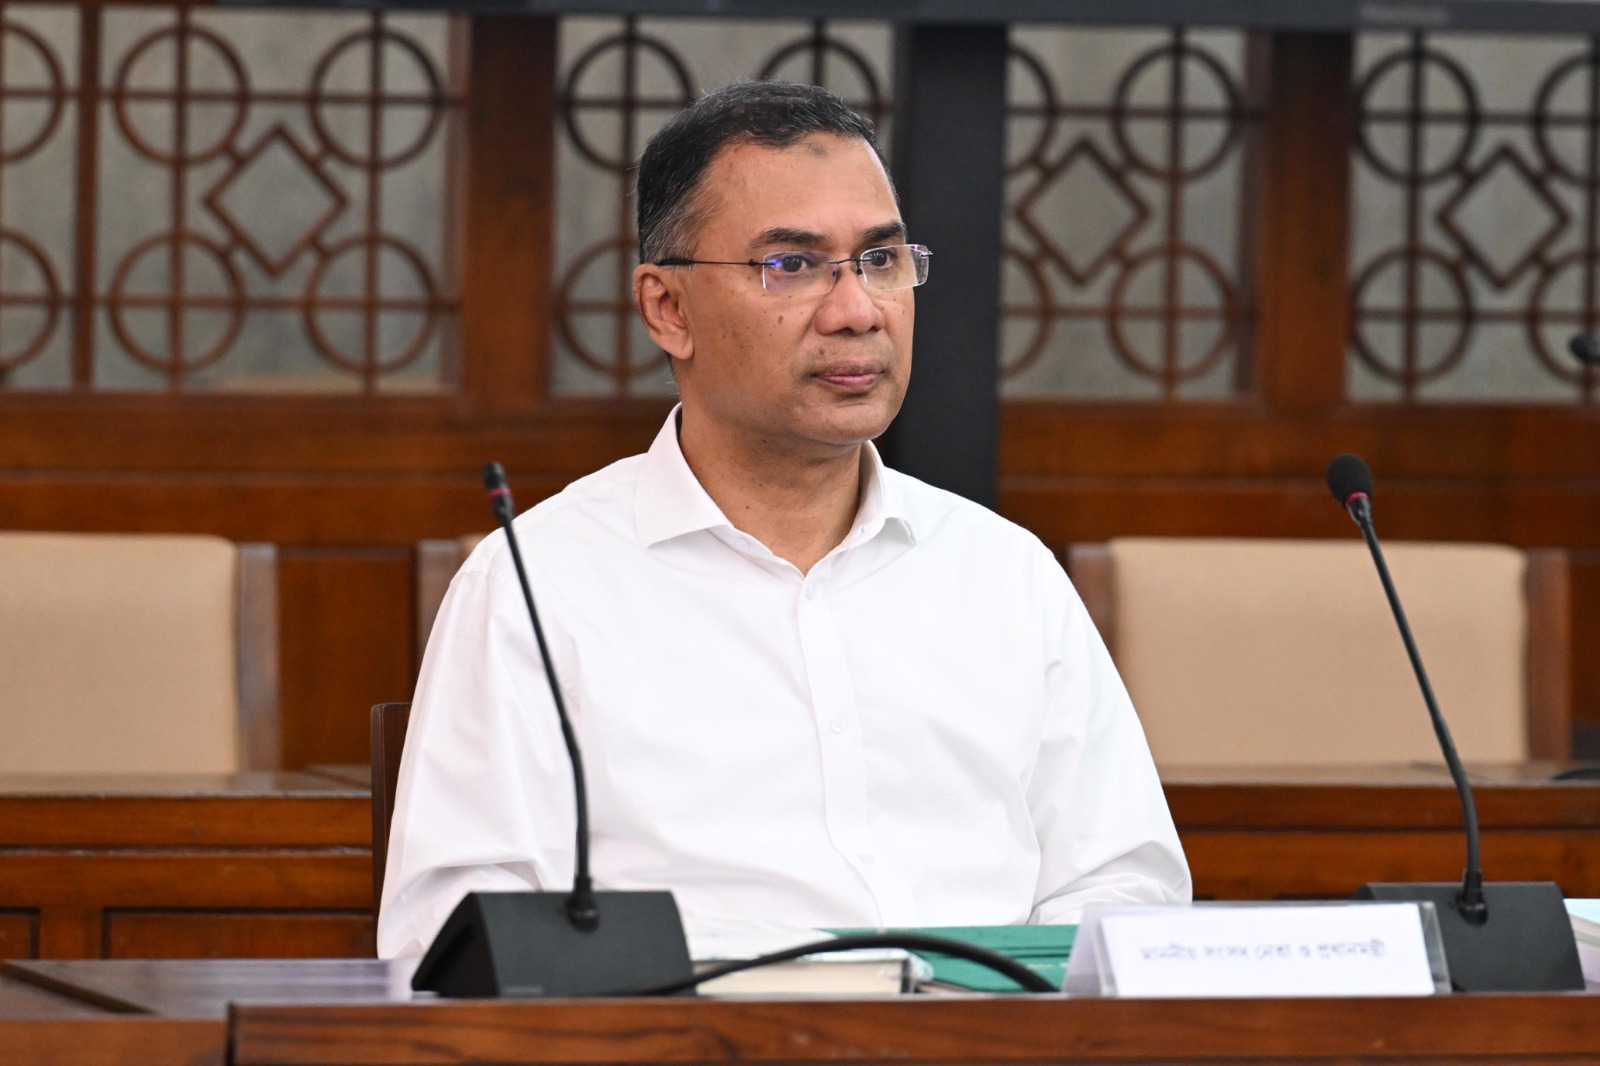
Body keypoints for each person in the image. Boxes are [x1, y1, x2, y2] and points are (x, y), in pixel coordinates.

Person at [377, 81, 1189, 960]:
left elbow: (1125, 888)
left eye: (880, 260)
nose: (857, 311)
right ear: (667, 309)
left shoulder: (1004, 573)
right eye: (793, 266)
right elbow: (447, 941)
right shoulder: (537, 588)